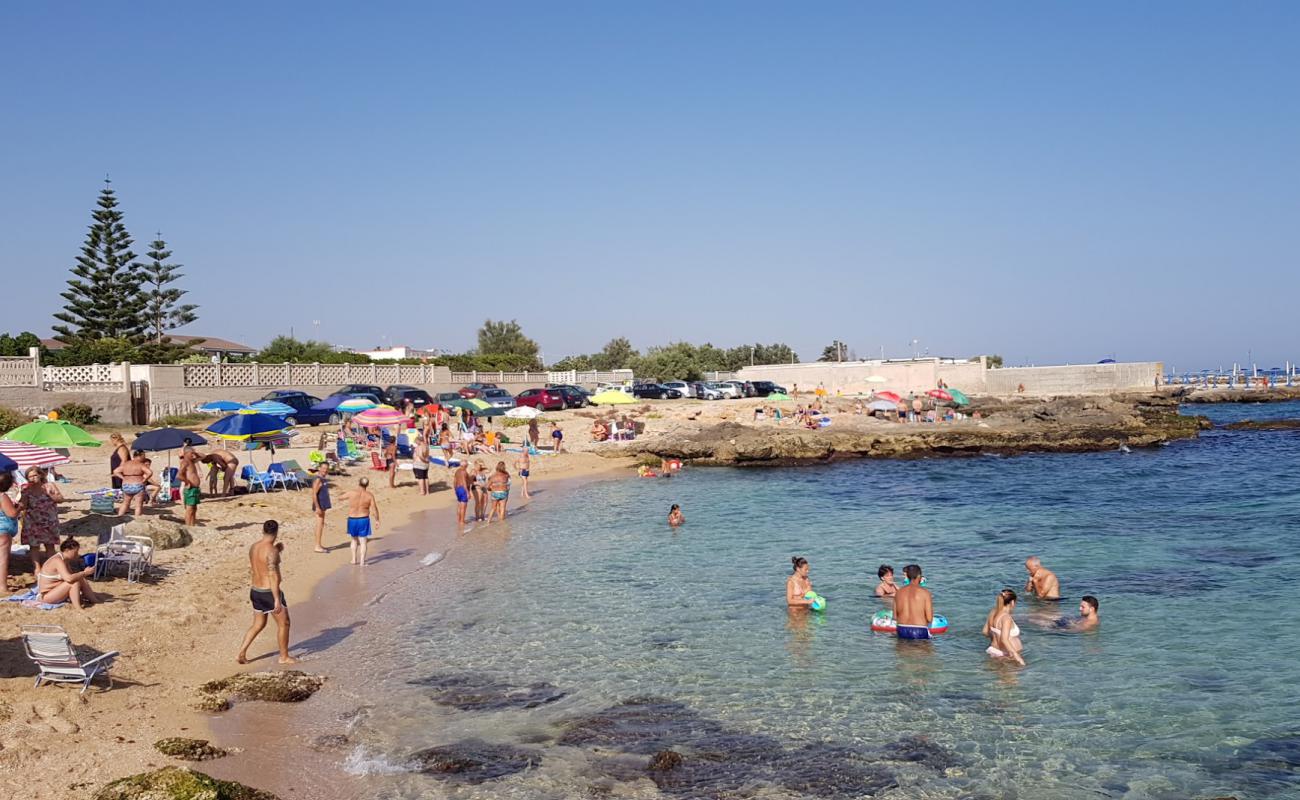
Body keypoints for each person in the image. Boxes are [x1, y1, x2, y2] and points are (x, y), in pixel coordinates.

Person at [236, 520, 298, 664]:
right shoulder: (272, 551)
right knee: (285, 623)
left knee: (258, 624)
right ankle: (284, 656)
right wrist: (277, 599)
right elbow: (272, 575)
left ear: (263, 531)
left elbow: (260, 563)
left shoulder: (254, 547)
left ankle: (241, 652)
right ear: (276, 532)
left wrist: (277, 551)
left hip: (255, 590)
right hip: (269, 592)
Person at [19, 467, 65, 570]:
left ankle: (50, 567)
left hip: (49, 521)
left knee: (50, 545)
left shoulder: (49, 486)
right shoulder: (26, 489)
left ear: (40, 475)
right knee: (34, 546)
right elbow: (24, 506)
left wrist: (50, 494)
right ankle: (37, 568)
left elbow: (61, 499)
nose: (33, 478)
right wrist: (23, 495)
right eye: (30, 476)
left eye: (35, 475)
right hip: (32, 521)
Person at [35, 538, 100, 609]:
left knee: (80, 578)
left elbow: (73, 576)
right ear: (67, 550)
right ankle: (78, 608)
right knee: (74, 583)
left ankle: (94, 600)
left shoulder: (64, 560)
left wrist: (82, 574)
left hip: (55, 591)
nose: (77, 555)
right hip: (46, 596)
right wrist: (84, 572)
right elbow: (69, 579)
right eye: (75, 552)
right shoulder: (57, 561)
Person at [343, 477, 380, 566]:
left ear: (359, 483)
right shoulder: (369, 495)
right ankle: (362, 562)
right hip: (363, 519)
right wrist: (377, 520)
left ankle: (353, 559)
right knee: (363, 541)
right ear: (367, 485)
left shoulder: (351, 493)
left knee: (354, 540)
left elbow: (341, 497)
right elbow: (374, 509)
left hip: (352, 519)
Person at [983, 588, 1025, 664]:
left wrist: (996, 637)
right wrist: (1017, 657)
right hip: (1008, 655)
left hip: (994, 650)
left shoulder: (993, 612)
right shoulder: (1006, 618)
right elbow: (1004, 639)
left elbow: (985, 632)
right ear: (1012, 602)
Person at [893, 564, 934, 639]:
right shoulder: (925, 593)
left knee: (902, 650)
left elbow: (895, 617)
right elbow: (929, 618)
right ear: (919, 576)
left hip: (901, 629)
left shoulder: (898, 592)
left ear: (907, 576)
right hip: (919, 630)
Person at [112, 451, 151, 516]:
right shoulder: (140, 464)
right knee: (138, 505)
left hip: (126, 485)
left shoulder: (126, 464)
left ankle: (119, 516)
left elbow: (116, 471)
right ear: (141, 455)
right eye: (144, 455)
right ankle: (137, 519)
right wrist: (145, 479)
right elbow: (150, 472)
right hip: (138, 484)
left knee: (125, 503)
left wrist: (123, 478)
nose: (144, 457)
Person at [0, 472, 18, 591]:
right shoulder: (2, 496)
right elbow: (11, 513)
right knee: (3, 559)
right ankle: (2, 586)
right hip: (3, 531)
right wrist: (19, 507)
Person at [179, 439, 202, 526]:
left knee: (194, 508)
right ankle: (188, 526)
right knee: (189, 509)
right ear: (186, 454)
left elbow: (203, 456)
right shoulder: (185, 462)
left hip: (195, 488)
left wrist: (194, 453)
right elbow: (179, 475)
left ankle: (192, 525)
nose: (193, 455)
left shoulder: (191, 461)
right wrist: (187, 482)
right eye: (191, 453)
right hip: (190, 488)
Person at [311, 463, 331, 553]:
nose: (325, 470)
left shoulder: (323, 479)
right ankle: (317, 546)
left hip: (323, 504)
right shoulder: (318, 479)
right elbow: (314, 494)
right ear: (319, 468)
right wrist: (317, 507)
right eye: (323, 468)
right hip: (319, 505)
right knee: (319, 525)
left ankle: (318, 544)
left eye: (326, 469)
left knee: (321, 525)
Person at [452, 461, 471, 526]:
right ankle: (462, 521)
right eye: (467, 465)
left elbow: (454, 481)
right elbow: (464, 482)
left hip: (458, 489)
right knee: (463, 507)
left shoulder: (457, 471)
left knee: (459, 505)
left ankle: (459, 520)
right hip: (463, 489)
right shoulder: (464, 472)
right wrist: (468, 492)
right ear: (465, 466)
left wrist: (455, 489)